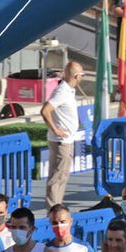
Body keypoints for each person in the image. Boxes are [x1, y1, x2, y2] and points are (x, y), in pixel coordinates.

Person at [41, 61, 84, 206]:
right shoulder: (62, 92)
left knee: (62, 175)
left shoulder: (69, 90)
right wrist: (56, 130)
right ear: (77, 76)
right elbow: (45, 110)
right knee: (57, 177)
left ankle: (56, 206)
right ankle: (53, 209)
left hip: (67, 140)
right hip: (61, 141)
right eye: (81, 75)